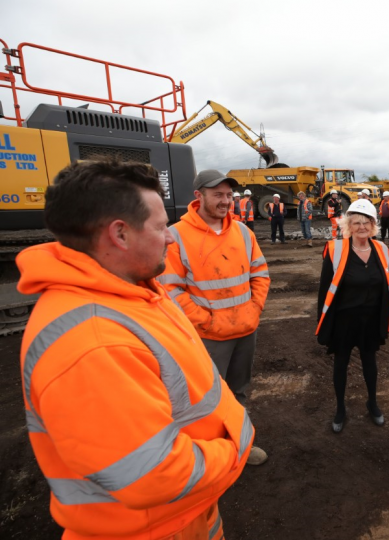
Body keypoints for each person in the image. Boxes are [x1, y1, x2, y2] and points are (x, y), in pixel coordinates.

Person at [16, 160, 253, 539]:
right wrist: (233, 448)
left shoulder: (131, 290)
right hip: (154, 528)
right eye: (160, 228)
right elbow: (154, 475)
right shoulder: (93, 344)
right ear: (120, 235)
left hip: (184, 515)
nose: (171, 238)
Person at [160, 169, 269, 466]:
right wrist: (207, 322)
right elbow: (170, 289)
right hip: (208, 336)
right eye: (217, 195)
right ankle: (212, 458)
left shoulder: (243, 232)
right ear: (199, 196)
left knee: (239, 393)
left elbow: (260, 273)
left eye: (228, 195)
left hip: (245, 331)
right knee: (206, 400)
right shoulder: (176, 236)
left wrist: (253, 309)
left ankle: (240, 447)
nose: (225, 201)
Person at [316, 199, 389, 433]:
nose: (362, 227)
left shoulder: (381, 250)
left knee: (370, 363)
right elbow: (324, 291)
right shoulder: (335, 249)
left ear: (373, 226)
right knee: (340, 363)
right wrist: (323, 325)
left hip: (370, 319)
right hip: (343, 320)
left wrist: (388, 320)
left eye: (366, 223)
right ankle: (340, 409)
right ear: (348, 226)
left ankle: (372, 402)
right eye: (357, 223)